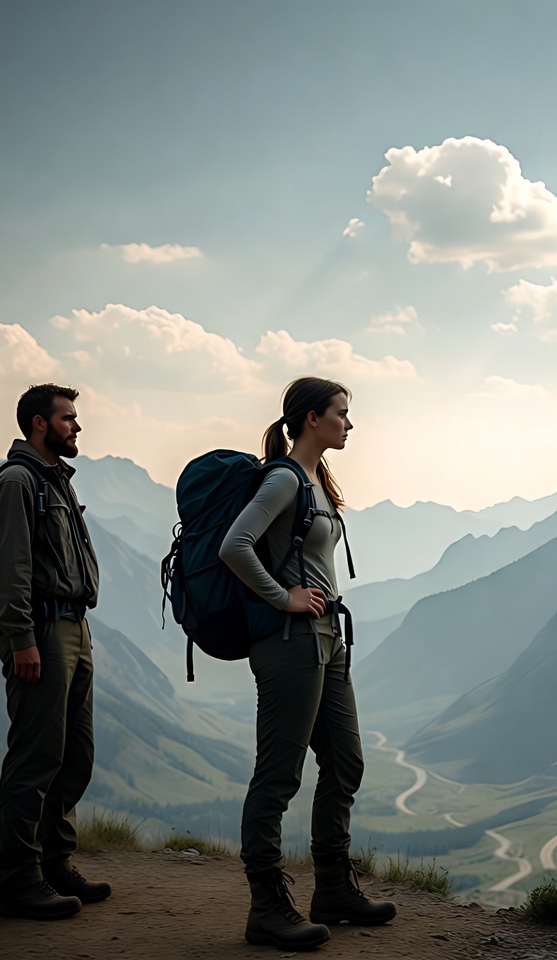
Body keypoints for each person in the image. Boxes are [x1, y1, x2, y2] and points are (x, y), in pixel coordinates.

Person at [220, 376, 396, 950]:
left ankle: (333, 889)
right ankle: (266, 907)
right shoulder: (283, 479)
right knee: (277, 778)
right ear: (312, 417)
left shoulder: (319, 479)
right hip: (291, 642)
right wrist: (282, 596)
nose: (350, 423)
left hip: (328, 639)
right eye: (341, 413)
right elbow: (234, 545)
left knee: (345, 763)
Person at [0, 383, 110, 920]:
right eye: (69, 419)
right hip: (41, 633)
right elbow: (7, 568)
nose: (77, 427)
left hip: (75, 630)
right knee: (35, 759)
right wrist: (20, 640)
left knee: (74, 756)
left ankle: (55, 862)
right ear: (40, 424)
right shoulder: (18, 482)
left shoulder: (55, 481)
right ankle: (19, 881)